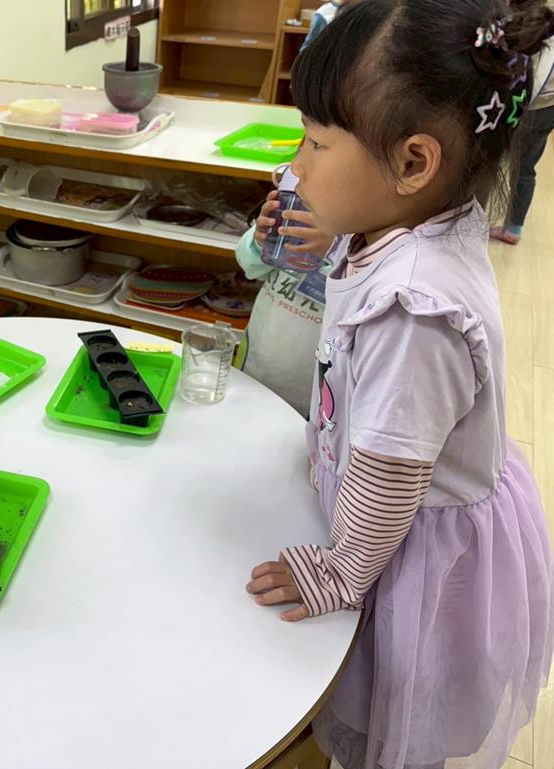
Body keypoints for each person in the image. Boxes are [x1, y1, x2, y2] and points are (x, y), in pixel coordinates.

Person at [244, 3, 554, 769]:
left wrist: (340, 571)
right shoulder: (407, 222)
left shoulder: (413, 311)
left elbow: (388, 478)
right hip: (395, 510)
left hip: (408, 545)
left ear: (414, 164)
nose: (297, 165)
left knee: (392, 717)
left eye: (316, 142)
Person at [234, 182, 337, 414]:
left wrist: (336, 250)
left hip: (316, 392)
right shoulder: (299, 205)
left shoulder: (371, 238)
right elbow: (249, 266)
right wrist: (260, 242)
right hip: (256, 366)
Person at [490, 42, 554, 243]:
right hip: (548, 105)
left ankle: (472, 216)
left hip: (531, 102)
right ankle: (513, 227)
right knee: (525, 166)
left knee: (490, 153)